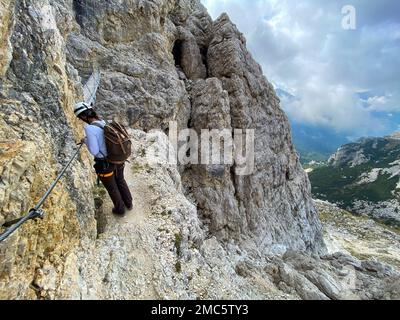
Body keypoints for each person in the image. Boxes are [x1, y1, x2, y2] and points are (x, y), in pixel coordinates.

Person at [74, 102, 133, 216]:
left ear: (83, 116)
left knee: (112, 187)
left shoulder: (90, 128)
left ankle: (120, 210)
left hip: (104, 163)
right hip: (117, 158)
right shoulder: (104, 122)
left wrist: (86, 141)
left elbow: (94, 151)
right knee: (120, 180)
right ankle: (129, 203)